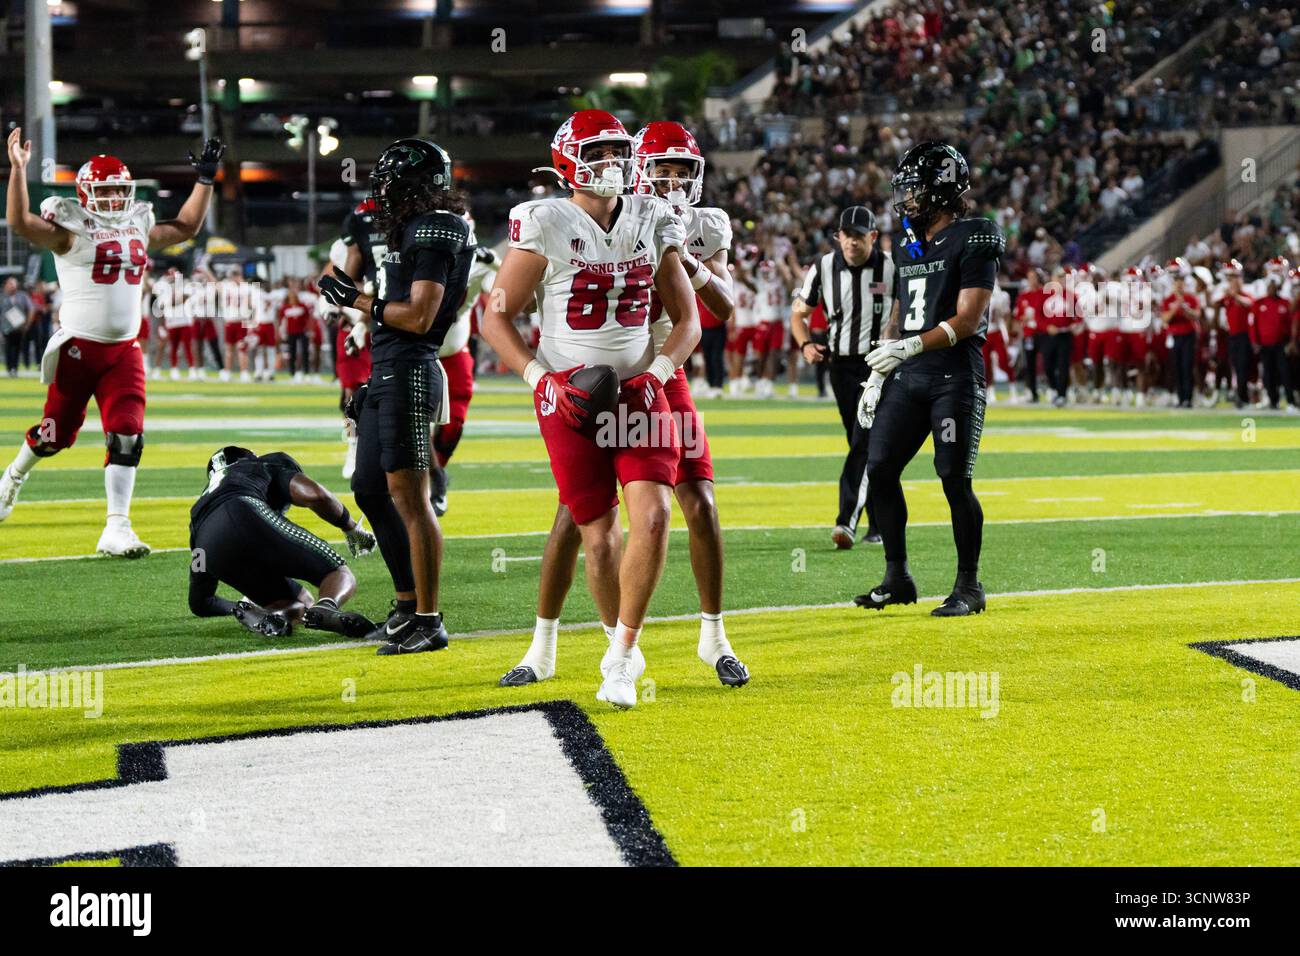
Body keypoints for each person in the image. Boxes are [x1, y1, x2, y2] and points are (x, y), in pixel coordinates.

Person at [498, 119, 747, 692]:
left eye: (684, 170)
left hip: (660, 372)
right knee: (578, 518)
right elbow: (507, 305)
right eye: (662, 168)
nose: (673, 180)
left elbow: (720, 309)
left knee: (696, 500)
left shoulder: (696, 223)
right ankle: (544, 645)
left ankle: (713, 638)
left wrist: (690, 261)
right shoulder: (605, 212)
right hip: (592, 377)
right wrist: (543, 373)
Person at [0, 128, 223, 555]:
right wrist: (17, 171)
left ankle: (116, 527)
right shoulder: (69, 229)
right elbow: (19, 223)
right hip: (78, 348)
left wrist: (206, 179)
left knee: (126, 433)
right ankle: (13, 476)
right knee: (53, 436)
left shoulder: (138, 222)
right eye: (105, 191)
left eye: (120, 190)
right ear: (84, 193)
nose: (114, 199)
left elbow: (186, 226)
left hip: (124, 349)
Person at [318, 138, 474, 656]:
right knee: (368, 488)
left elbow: (420, 316)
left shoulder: (438, 228)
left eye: (389, 186)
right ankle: (407, 604)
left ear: (411, 186)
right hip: (386, 370)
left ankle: (429, 620)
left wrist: (355, 299)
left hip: (410, 369)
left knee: (413, 498)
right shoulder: (410, 229)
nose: (381, 196)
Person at [856, 140, 1004, 617]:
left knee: (952, 478)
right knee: (879, 467)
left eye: (916, 191)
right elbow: (902, 306)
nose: (908, 200)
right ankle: (897, 577)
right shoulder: (905, 241)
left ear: (942, 191)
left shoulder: (976, 235)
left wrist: (912, 345)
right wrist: (882, 363)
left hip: (953, 375)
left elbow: (967, 319)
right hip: (910, 372)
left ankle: (970, 585)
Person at [188, 445, 376, 637]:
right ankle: (327, 606)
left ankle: (268, 615)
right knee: (337, 572)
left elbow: (199, 601)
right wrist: (351, 527)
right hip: (245, 511)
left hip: (208, 545)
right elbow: (316, 495)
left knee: (298, 604)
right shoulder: (261, 464)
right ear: (247, 458)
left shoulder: (196, 517)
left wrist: (234, 606)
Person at [791, 205, 895, 550]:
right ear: (838, 237)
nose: (851, 242)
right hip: (840, 366)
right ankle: (880, 522)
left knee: (865, 440)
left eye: (858, 236)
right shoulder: (822, 267)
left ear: (873, 237)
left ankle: (845, 520)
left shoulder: (890, 267)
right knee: (862, 443)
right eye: (846, 235)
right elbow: (799, 314)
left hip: (877, 364)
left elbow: (905, 307)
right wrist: (805, 343)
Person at [1, 277, 35, 378]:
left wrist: (27, 324)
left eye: (14, 284)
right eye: (10, 284)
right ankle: (9, 367)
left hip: (19, 328)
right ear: (6, 285)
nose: (12, 286)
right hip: (6, 328)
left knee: (17, 349)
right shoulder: (2, 297)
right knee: (7, 348)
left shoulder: (23, 296)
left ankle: (14, 368)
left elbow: (31, 309)